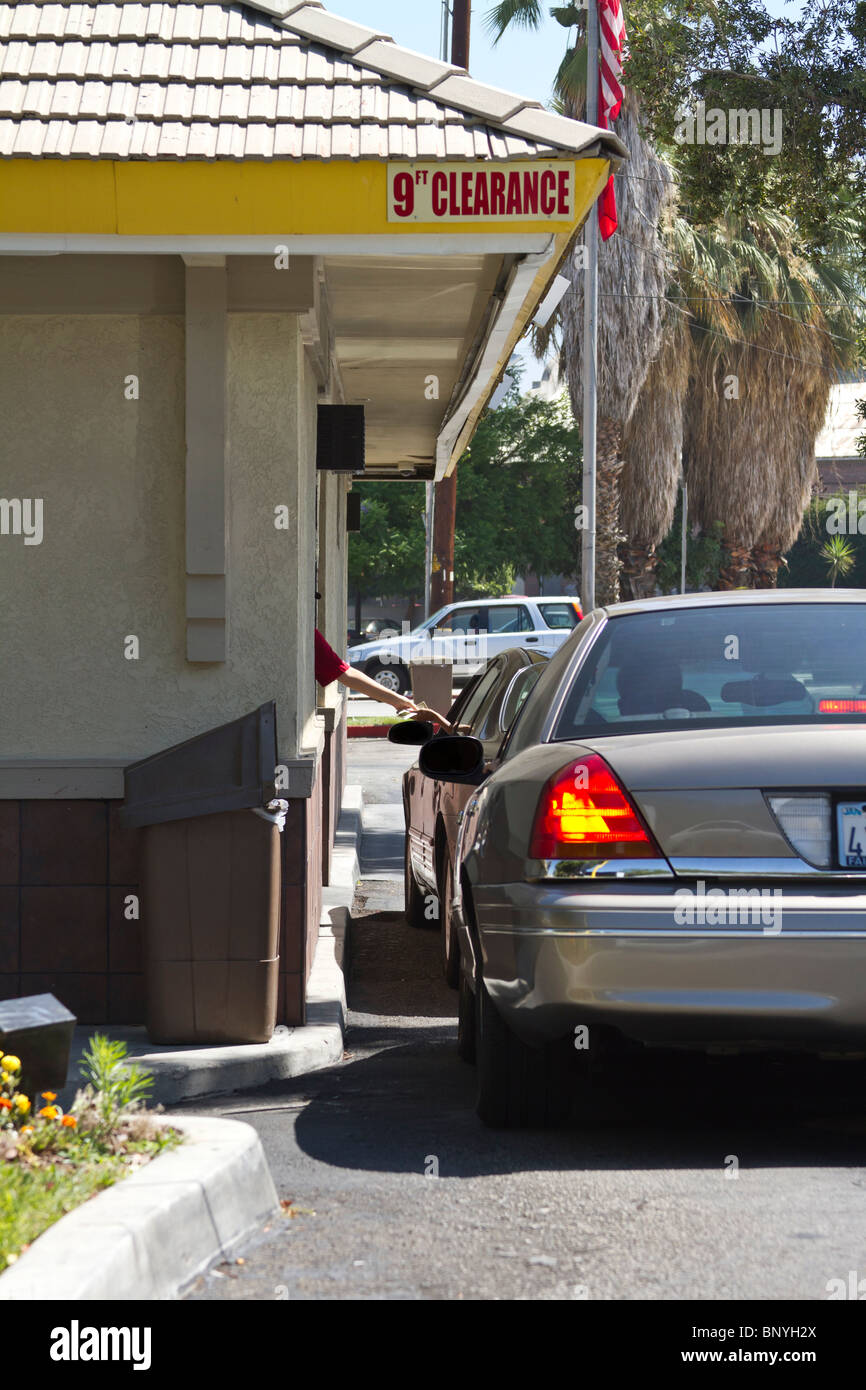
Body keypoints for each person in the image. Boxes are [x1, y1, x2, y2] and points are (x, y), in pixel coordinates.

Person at [314, 627, 452, 728]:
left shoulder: (308, 633)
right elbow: (344, 674)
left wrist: (399, 701)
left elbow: (343, 673)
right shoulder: (307, 634)